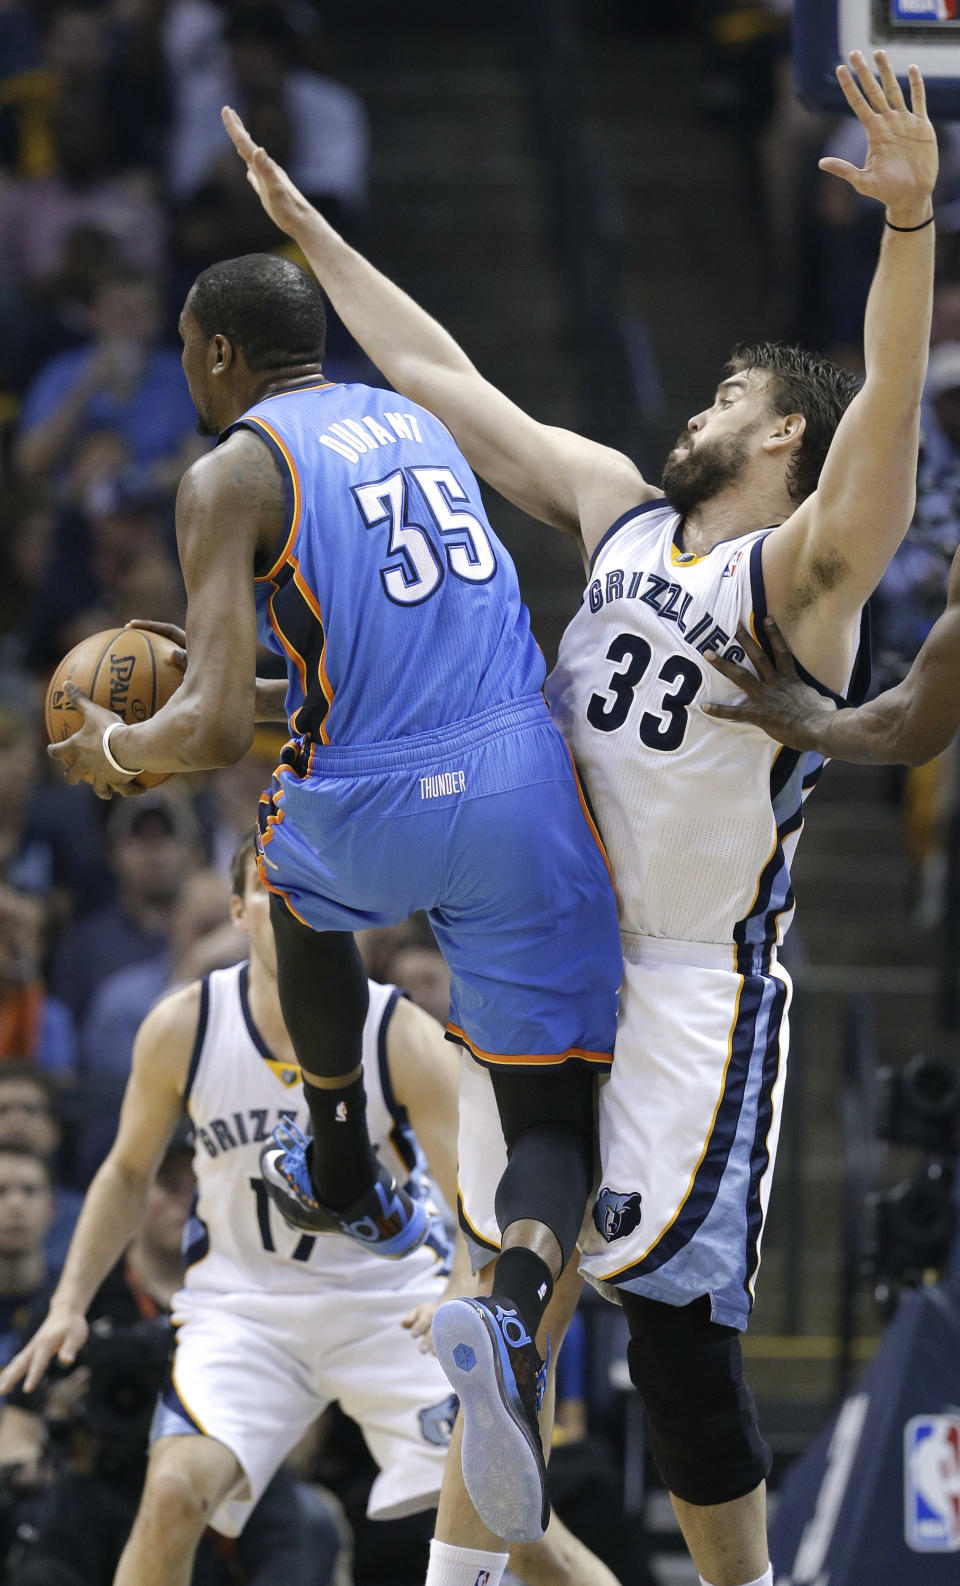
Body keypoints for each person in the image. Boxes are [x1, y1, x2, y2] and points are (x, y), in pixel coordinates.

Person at [212, 47, 937, 1586]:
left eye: (726, 398)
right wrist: (308, 242)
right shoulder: (619, 508)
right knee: (501, 1283)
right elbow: (442, 381)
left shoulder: (797, 584)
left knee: (673, 1334)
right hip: (544, 909)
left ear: (781, 441)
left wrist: (911, 230)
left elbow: (883, 433)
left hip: (690, 973)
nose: (695, 410)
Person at [47, 112, 623, 1556]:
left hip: (367, 806)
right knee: (551, 1113)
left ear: (222, 356)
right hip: (523, 789)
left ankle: (344, 1158)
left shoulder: (227, 471)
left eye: (190, 351)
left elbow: (205, 726)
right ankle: (510, 1303)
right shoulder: (415, 418)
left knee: (284, 886)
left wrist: (111, 747)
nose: (187, 375)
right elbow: (328, 664)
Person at [0, 837, 617, 1586]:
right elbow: (127, 1173)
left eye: (309, 890)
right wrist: (68, 1301)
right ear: (236, 911)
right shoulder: (183, 1027)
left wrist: (463, 1283)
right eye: (268, 889)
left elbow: (475, 1198)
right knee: (170, 1493)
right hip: (245, 1313)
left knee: (523, 1534)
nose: (290, 907)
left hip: (390, 1312)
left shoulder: (399, 1033)